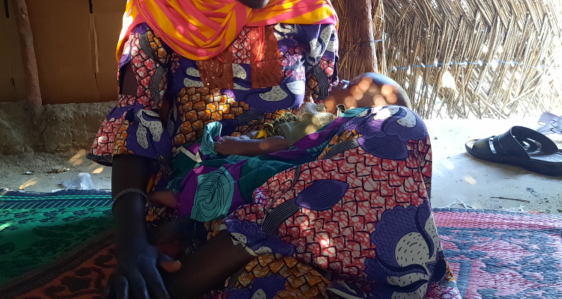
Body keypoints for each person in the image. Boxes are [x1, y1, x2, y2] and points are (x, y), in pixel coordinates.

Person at [88, 0, 460, 299]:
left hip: (302, 171)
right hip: (208, 189)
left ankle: (221, 258)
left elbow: (324, 107)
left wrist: (374, 99)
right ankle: (252, 246)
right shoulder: (163, 15)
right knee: (282, 284)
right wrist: (132, 243)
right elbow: (136, 127)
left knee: (402, 124)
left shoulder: (306, 13)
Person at [146, 73, 412, 218]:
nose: (342, 81)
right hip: (259, 140)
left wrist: (240, 146)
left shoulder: (323, 122)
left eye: (351, 85)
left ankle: (178, 197)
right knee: (204, 153)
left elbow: (282, 144)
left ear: (355, 109)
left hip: (263, 153)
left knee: (227, 168)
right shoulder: (321, 115)